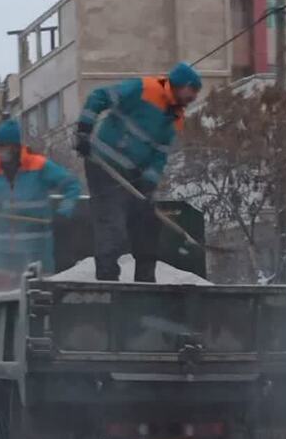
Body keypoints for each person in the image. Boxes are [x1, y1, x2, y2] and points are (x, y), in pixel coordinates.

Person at [73, 62, 203, 282]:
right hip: (103, 163)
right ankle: (108, 280)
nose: (194, 98)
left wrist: (149, 183)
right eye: (193, 92)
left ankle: (145, 282)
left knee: (147, 222)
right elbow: (98, 96)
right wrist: (84, 131)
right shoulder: (144, 88)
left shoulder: (176, 118)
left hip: (132, 175)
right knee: (112, 222)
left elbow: (160, 154)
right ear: (183, 85)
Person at [0, 119, 80, 292]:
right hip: (2, 254)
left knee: (37, 301)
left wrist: (65, 209)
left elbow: (72, 184)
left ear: (15, 146)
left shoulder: (39, 166)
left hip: (36, 252)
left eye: (3, 146)